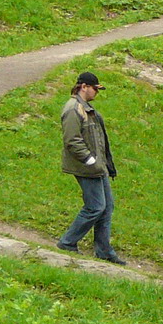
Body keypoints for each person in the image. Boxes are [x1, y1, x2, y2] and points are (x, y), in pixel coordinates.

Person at [57, 71, 126, 265]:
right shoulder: (73, 109)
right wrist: (90, 161)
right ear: (84, 86)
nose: (97, 92)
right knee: (95, 207)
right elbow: (72, 140)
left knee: (107, 207)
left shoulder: (87, 108)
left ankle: (104, 250)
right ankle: (67, 242)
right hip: (86, 168)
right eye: (95, 89)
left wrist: (104, 165)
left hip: (98, 167)